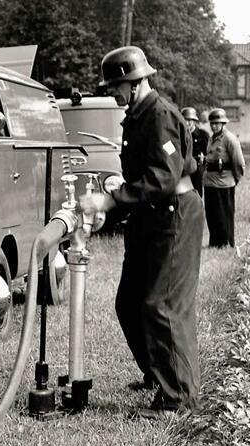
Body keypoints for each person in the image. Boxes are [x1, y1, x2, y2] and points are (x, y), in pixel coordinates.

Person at [79, 46, 203, 418]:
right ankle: (158, 372)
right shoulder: (137, 115)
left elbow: (164, 176)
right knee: (130, 302)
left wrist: (110, 200)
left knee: (162, 305)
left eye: (115, 86)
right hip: (150, 218)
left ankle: (178, 399)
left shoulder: (160, 114)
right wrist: (118, 201)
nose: (112, 94)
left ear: (134, 82)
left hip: (174, 216)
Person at [203, 108, 245, 248]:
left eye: (217, 123)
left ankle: (226, 243)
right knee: (212, 215)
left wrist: (235, 179)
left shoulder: (230, 139)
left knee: (224, 216)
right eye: (212, 123)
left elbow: (238, 162)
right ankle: (214, 242)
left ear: (223, 124)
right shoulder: (211, 138)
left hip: (224, 183)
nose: (214, 126)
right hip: (210, 182)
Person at [182, 107, 210, 197]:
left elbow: (209, 154)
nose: (187, 123)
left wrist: (204, 159)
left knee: (197, 196)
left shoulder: (203, 135)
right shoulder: (179, 135)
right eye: (185, 120)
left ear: (194, 121)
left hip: (197, 172)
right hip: (183, 171)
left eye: (190, 120)